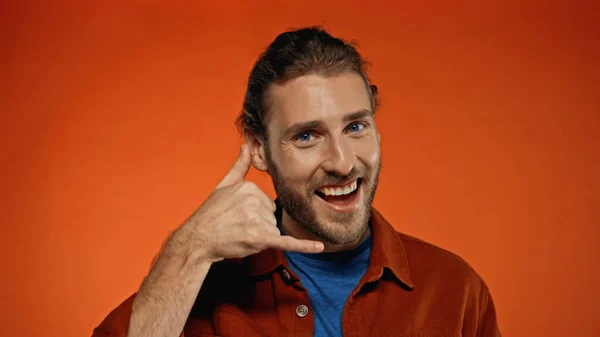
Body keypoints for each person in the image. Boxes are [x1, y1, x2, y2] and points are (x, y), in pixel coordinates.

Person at [92, 27, 501, 337]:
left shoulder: (456, 290)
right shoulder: (202, 292)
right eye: (307, 136)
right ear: (258, 150)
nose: (342, 163)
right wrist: (191, 246)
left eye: (356, 126)